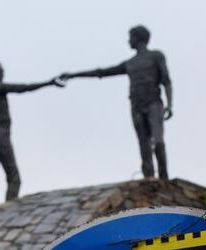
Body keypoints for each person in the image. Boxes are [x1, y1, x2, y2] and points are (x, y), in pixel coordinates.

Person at [60, 25, 173, 180]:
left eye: (130, 37)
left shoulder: (156, 56)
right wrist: (73, 75)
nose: (128, 40)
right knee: (143, 142)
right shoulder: (129, 63)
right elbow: (101, 72)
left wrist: (170, 104)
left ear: (138, 38)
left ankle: (164, 178)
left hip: (154, 102)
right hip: (136, 105)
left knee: (158, 140)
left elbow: (166, 80)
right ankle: (149, 178)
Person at [0, 62, 63, 207]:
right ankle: (9, 207)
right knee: (13, 177)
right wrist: (48, 83)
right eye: (1, 71)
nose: (3, 73)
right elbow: (24, 88)